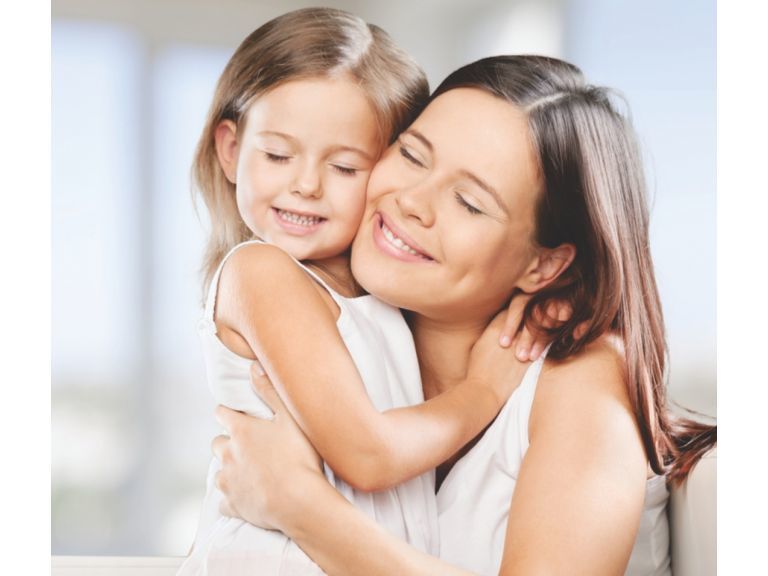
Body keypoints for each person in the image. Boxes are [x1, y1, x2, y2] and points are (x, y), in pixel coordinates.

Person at [213, 55, 717, 575]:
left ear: (544, 264)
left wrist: (301, 508)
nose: (412, 202)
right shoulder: (345, 337)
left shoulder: (581, 375)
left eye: (470, 204)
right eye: (412, 155)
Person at [178, 10, 544, 576]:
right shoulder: (261, 273)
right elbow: (368, 457)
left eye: (346, 167)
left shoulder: (384, 296)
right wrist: (484, 391)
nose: (305, 184)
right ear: (230, 150)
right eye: (278, 155)